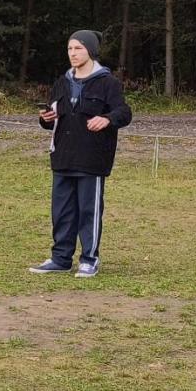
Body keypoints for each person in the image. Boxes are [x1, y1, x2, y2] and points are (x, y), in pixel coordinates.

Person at [30, 29, 133, 278]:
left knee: (88, 211)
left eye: (78, 48)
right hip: (63, 156)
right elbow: (52, 119)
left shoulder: (108, 83)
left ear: (91, 51)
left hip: (92, 158)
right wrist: (45, 119)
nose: (73, 53)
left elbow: (124, 113)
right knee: (62, 212)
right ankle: (61, 259)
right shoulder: (62, 82)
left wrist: (107, 119)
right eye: (69, 48)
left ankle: (89, 259)